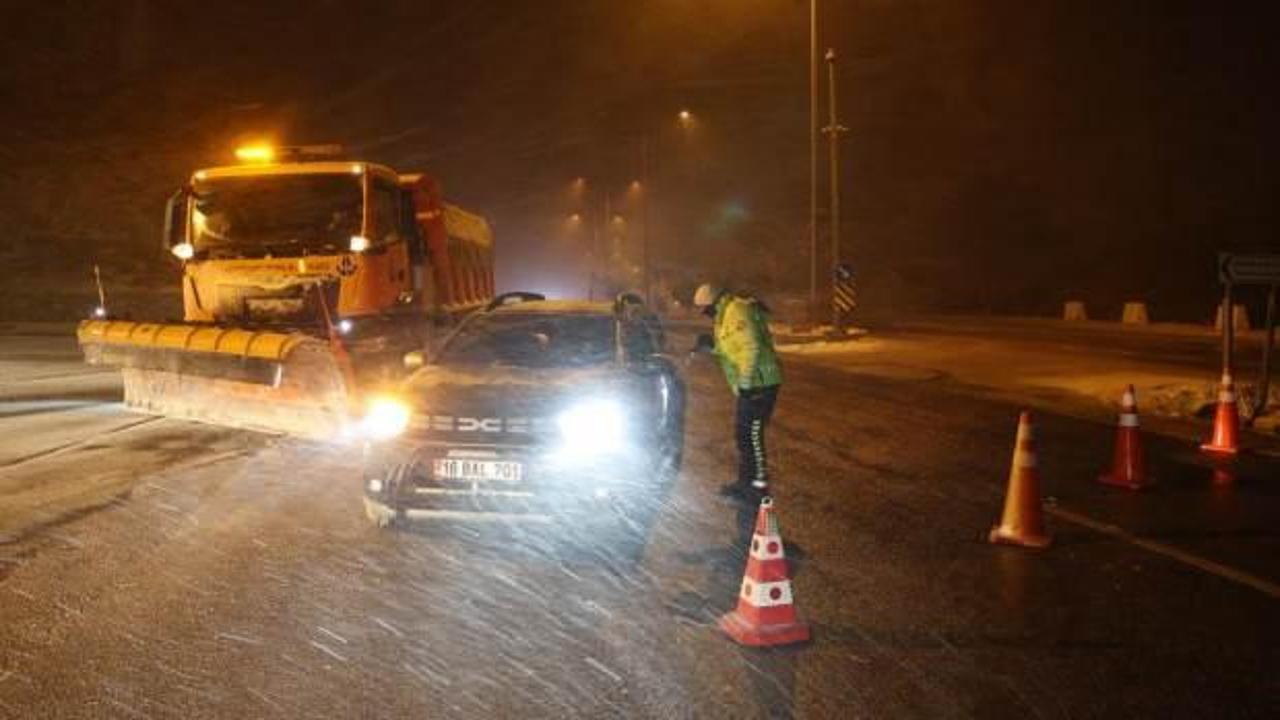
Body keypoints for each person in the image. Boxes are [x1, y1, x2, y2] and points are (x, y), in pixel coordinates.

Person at [692, 283, 783, 499]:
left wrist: (745, 384)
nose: (706, 314)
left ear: (714, 302)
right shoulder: (724, 316)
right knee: (744, 436)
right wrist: (711, 347)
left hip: (759, 383)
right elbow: (729, 349)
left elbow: (751, 347)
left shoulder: (737, 311)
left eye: (706, 309)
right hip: (752, 384)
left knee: (751, 436)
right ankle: (746, 483)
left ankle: (758, 486)